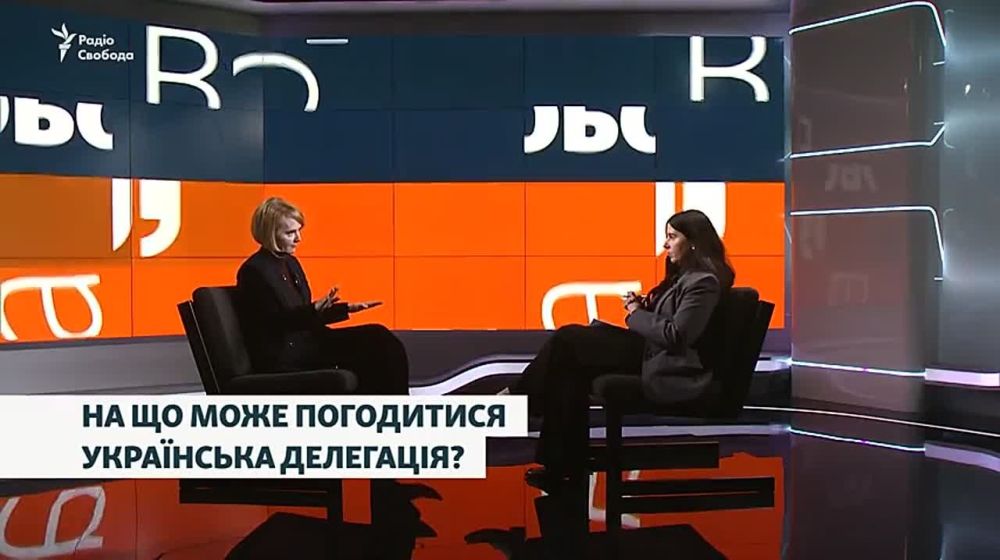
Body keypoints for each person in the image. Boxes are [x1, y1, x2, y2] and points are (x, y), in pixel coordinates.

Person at [512, 209, 735, 489]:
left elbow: (676, 335)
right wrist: (643, 307)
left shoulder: (703, 282)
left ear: (693, 242)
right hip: (649, 351)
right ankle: (561, 466)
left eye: (672, 237)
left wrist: (635, 314)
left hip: (664, 362)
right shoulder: (684, 277)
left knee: (568, 338)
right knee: (569, 365)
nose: (665, 244)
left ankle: (519, 398)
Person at [235, 197, 409, 395]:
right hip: (287, 352)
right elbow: (273, 323)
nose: (298, 238)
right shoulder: (253, 271)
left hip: (309, 340)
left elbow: (303, 317)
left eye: (299, 231)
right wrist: (315, 308)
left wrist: (344, 309)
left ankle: (393, 407)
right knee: (376, 344)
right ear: (270, 234)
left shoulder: (291, 263)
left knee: (381, 339)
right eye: (290, 233)